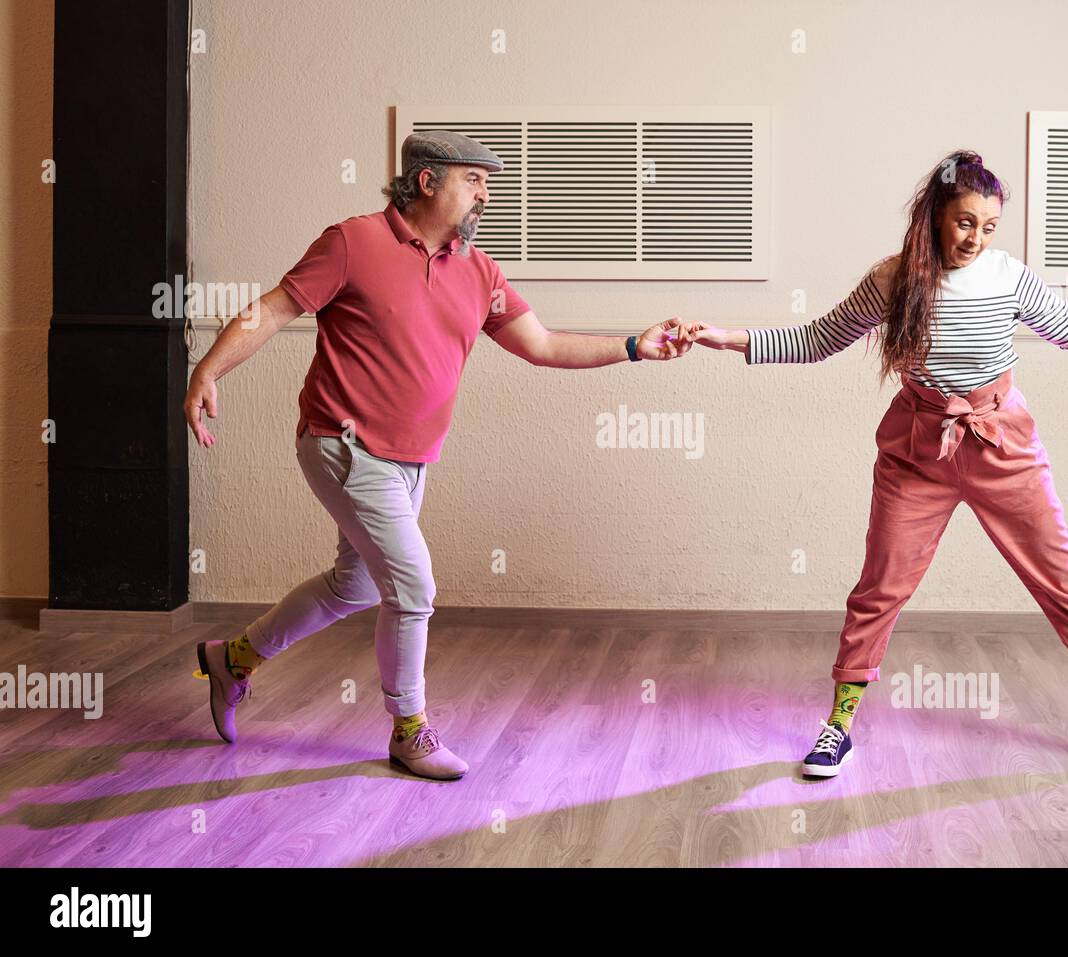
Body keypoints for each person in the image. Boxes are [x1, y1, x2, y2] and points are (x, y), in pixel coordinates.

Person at [184, 130, 693, 780]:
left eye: (487, 182)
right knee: (414, 584)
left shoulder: (478, 271)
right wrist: (209, 371)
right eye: (473, 179)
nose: (485, 192)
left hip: (411, 459)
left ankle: (234, 658)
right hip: (341, 441)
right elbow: (273, 309)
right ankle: (410, 729)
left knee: (354, 585)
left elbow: (541, 343)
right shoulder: (353, 241)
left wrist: (631, 345)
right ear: (426, 181)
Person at [691, 150, 1068, 781]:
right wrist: (728, 338)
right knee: (879, 587)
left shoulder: (1008, 276)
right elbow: (816, 341)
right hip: (919, 448)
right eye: (965, 222)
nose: (976, 238)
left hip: (1001, 441)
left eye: (990, 226)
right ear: (935, 216)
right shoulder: (894, 280)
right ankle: (838, 727)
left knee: (1061, 579)